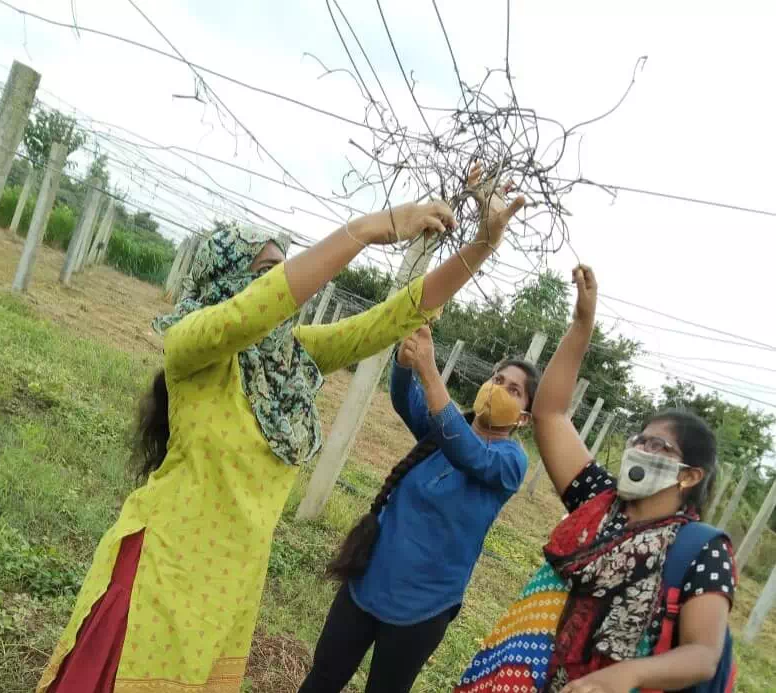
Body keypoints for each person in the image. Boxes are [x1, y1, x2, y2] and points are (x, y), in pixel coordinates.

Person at [37, 165, 526, 693]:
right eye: (262, 270)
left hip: (229, 581)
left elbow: (393, 317)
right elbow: (248, 314)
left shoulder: (289, 362)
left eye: (280, 269)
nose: (276, 282)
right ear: (225, 279)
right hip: (162, 569)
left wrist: (481, 245)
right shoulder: (191, 345)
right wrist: (366, 230)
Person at [298, 174, 539, 693]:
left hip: (423, 607)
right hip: (368, 581)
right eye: (498, 378)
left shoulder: (508, 461)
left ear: (524, 418)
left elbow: (468, 452)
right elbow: (405, 397)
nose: (500, 388)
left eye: (515, 390)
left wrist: (432, 372)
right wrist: (410, 351)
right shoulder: (442, 428)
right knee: (321, 680)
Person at [456, 266, 737, 693]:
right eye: (639, 439)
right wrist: (581, 326)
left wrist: (628, 673)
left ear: (690, 476)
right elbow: (549, 413)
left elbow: (702, 654)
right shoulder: (599, 504)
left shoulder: (701, 549)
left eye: (657, 446)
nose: (640, 449)